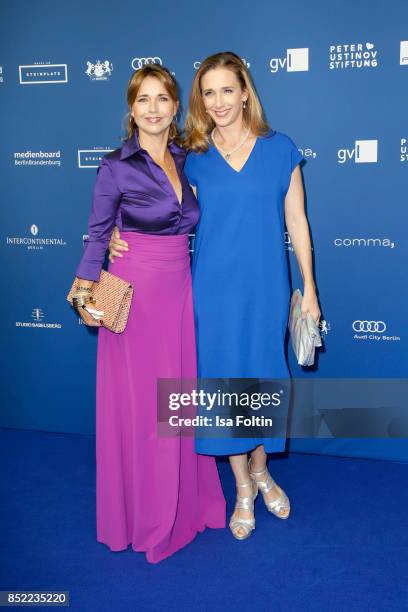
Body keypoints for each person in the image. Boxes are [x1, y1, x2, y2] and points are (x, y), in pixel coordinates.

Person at [109, 52, 321, 540]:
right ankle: (243, 486)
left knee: (264, 381)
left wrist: (309, 288)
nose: (219, 101)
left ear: (246, 91)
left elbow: (297, 222)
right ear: (201, 101)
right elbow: (151, 201)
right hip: (210, 291)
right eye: (209, 92)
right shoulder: (193, 157)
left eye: (228, 89)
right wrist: (121, 236)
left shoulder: (280, 148)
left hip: (266, 289)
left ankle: (263, 469)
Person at [72, 64, 225, 564]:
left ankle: (185, 502)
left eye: (163, 99)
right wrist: (84, 288)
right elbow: (98, 233)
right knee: (144, 403)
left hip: (180, 289)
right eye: (144, 100)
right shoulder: (115, 165)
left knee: (177, 395)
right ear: (131, 108)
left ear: (176, 107)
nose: (154, 109)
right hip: (135, 292)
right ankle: (146, 512)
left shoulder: (189, 159)